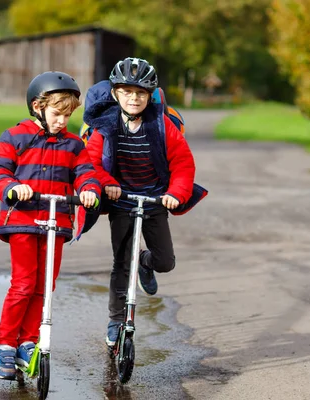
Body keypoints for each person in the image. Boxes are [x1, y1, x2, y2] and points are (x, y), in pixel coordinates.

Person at [80, 57, 207, 348]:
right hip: (121, 200)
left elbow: (183, 163)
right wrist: (108, 184)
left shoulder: (161, 124)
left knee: (166, 262)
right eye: (126, 91)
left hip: (154, 199)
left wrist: (176, 193)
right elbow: (91, 162)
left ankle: (145, 263)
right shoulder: (105, 125)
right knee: (121, 265)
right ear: (115, 94)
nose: (134, 98)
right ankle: (116, 321)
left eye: (140, 93)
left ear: (150, 96)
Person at [0, 71, 101, 380]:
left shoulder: (74, 145)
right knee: (23, 284)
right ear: (37, 106)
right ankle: (6, 345)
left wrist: (89, 190)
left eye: (68, 115)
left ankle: (27, 341)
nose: (63, 120)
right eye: (57, 113)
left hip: (57, 222)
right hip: (23, 220)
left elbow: (85, 172)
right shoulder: (15, 136)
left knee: (44, 287)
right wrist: (11, 187)